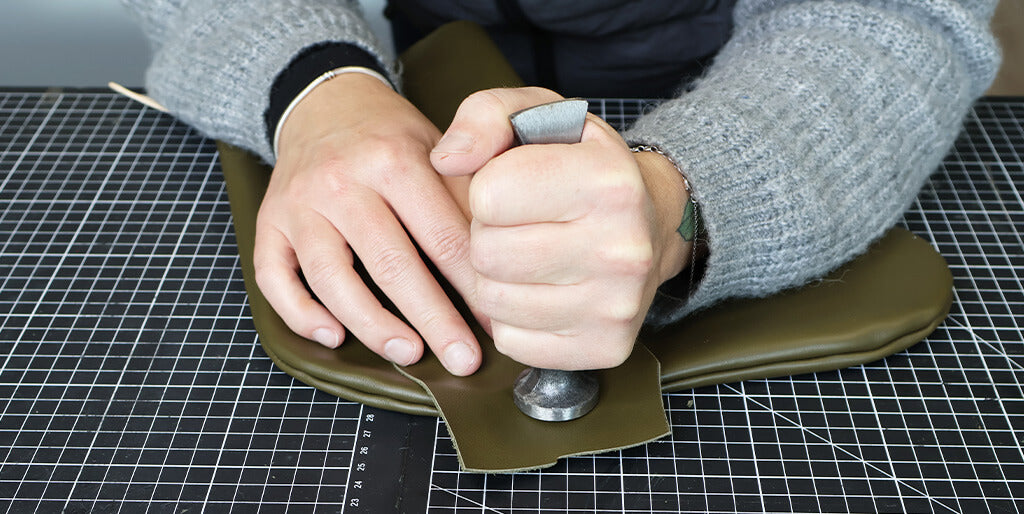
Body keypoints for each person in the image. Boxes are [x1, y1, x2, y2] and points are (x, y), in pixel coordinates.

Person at [121, 0, 1000, 377]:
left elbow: (900, 18)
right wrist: (317, 90)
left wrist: (687, 198)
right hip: (414, 84)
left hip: (744, 88)